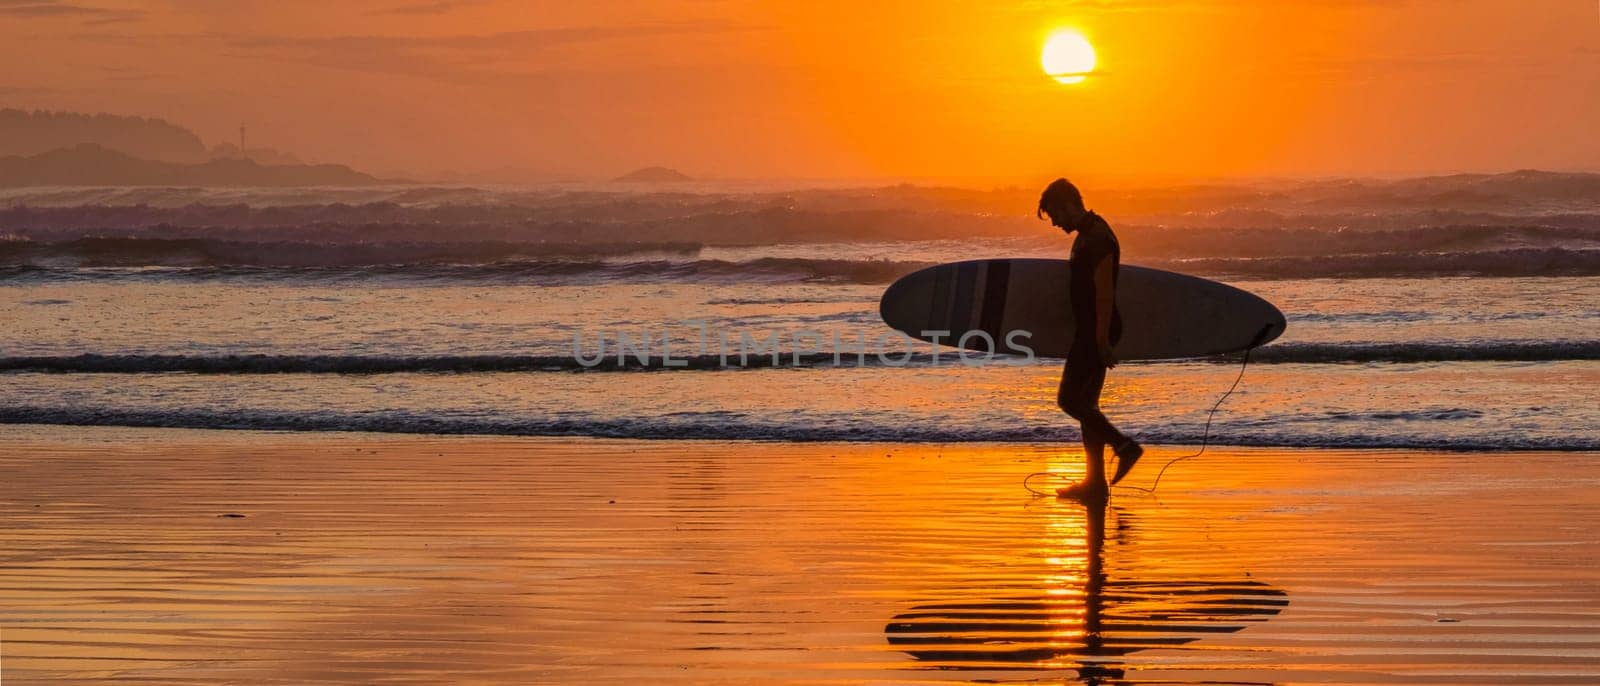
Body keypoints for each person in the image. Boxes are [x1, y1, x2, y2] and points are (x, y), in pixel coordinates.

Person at [1037, 178, 1143, 502]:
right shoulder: (1088, 234)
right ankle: (1095, 484)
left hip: (1097, 330)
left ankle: (1124, 446)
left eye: (1055, 214)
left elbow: (1105, 295)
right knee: (1087, 406)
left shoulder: (1097, 238)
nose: (1055, 222)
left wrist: (1100, 340)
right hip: (1091, 329)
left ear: (1069, 203)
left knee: (1068, 400)